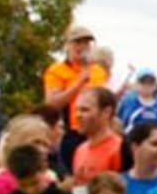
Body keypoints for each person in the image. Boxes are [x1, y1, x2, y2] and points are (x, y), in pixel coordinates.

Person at [42, 23, 108, 173]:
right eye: (78, 42)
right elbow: (51, 104)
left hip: (96, 132)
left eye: (86, 42)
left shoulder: (98, 71)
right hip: (70, 133)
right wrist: (79, 83)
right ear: (67, 45)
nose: (82, 46)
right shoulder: (56, 71)